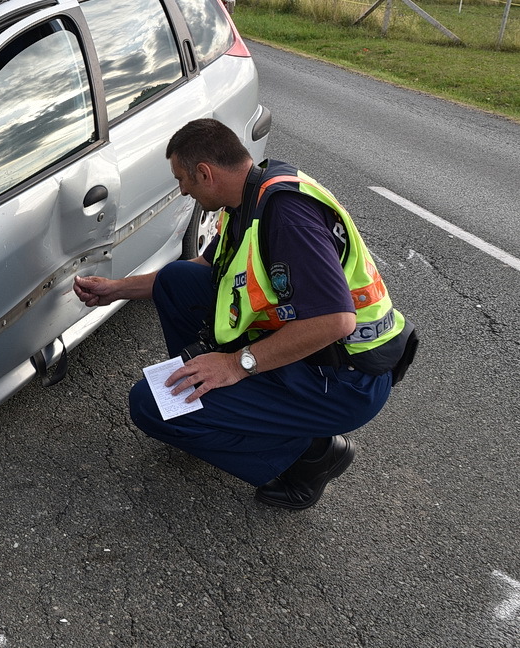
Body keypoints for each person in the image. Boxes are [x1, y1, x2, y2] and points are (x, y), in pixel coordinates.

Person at [73, 118, 413, 509]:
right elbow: (206, 268)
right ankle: (212, 410)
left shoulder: (286, 214)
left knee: (149, 407)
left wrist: (236, 365)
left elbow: (335, 320)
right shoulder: (250, 194)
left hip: (343, 378)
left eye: (183, 179)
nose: (183, 190)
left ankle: (312, 454)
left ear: (206, 173)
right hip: (310, 351)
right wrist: (115, 291)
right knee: (177, 278)